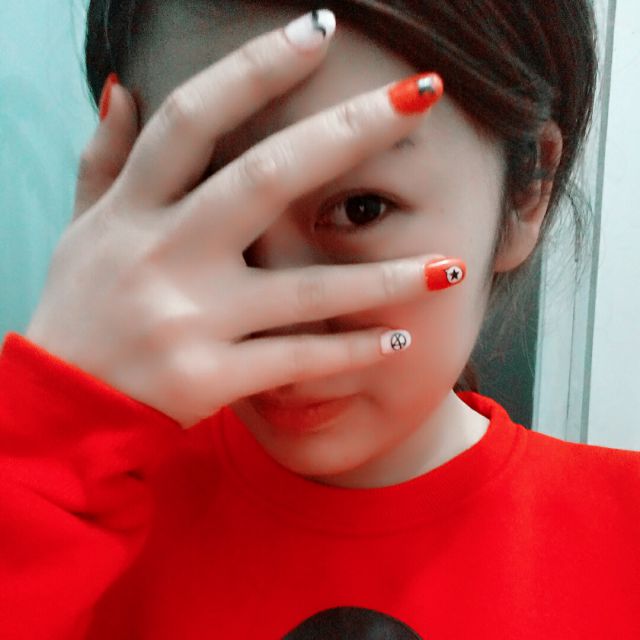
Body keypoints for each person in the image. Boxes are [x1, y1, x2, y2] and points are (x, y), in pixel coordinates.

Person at [0, 1, 638, 638]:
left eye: (362, 208)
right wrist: (47, 440)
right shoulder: (74, 513)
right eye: (197, 206)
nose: (279, 330)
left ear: (527, 189)